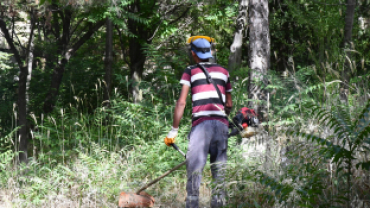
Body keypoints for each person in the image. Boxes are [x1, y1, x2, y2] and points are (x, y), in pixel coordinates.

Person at [164, 36, 233, 208]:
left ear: (193, 54)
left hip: (201, 126)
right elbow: (229, 103)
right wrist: (224, 119)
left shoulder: (190, 71)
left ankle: (193, 204)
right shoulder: (224, 72)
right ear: (210, 52)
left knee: (194, 172)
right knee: (219, 172)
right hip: (221, 125)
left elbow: (181, 102)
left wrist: (174, 130)